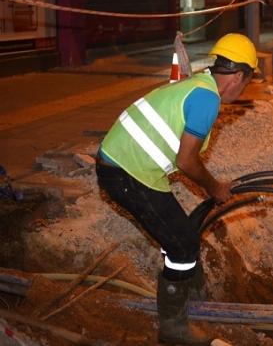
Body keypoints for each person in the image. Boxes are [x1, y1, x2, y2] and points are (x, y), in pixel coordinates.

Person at [95, 33, 258, 346]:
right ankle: (174, 330)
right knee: (182, 244)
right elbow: (186, 160)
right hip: (126, 171)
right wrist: (215, 188)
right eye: (248, 82)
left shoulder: (197, 84)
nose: (244, 89)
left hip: (130, 166)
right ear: (238, 76)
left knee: (180, 234)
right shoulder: (207, 99)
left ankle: (192, 299)